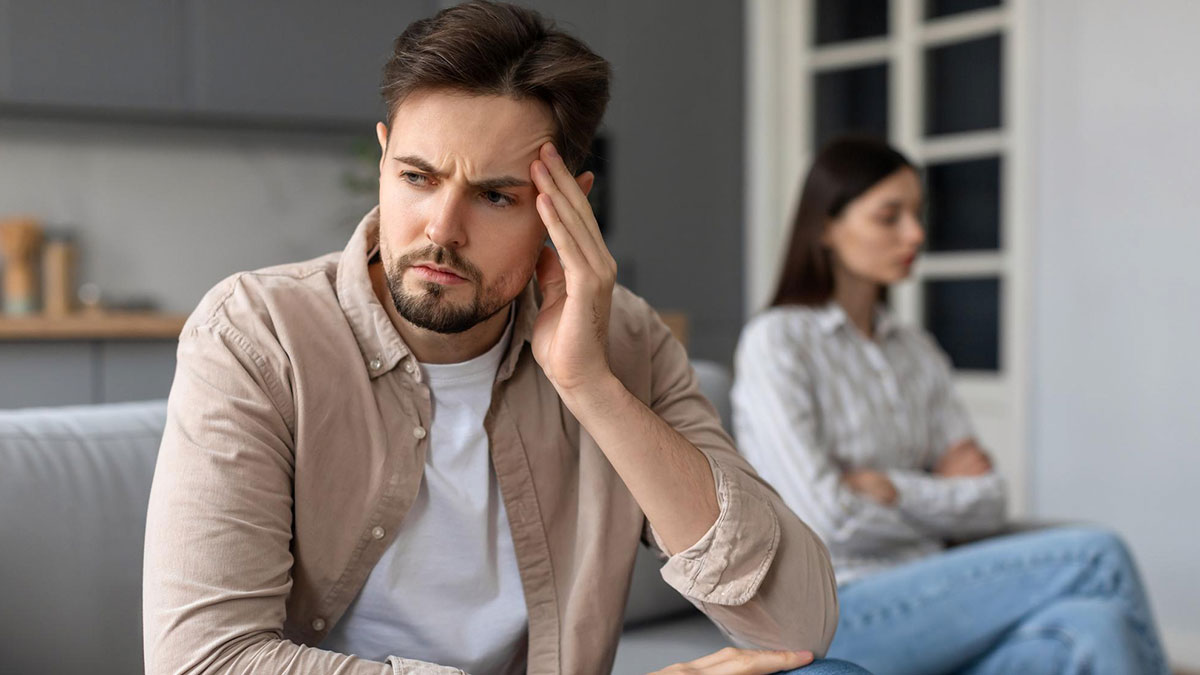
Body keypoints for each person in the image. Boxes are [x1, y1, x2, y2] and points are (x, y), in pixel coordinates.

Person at [141, 3, 857, 674]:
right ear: (384, 158)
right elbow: (206, 660)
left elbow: (797, 625)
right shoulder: (257, 333)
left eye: (495, 196)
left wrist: (591, 385)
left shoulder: (626, 341)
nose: (441, 231)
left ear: (565, 207)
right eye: (417, 177)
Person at [731, 136, 1170, 675]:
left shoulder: (917, 351)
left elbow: (989, 501)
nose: (915, 233)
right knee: (1099, 554)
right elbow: (825, 519)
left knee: (1097, 624)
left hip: (936, 595)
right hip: (839, 608)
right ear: (825, 228)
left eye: (917, 215)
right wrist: (940, 497)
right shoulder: (777, 341)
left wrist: (889, 488)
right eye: (889, 216)